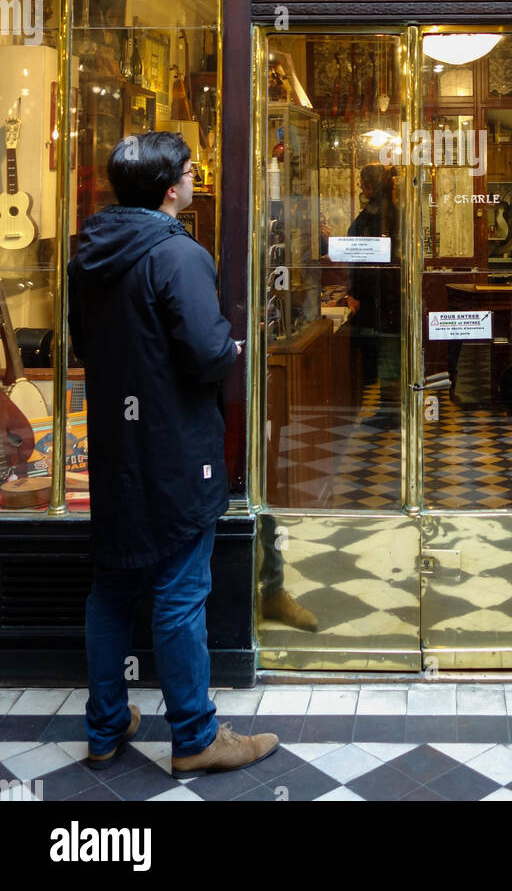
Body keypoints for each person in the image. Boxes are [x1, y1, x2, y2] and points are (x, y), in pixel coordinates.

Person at [68, 131, 279, 777]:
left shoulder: (88, 254)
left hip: (115, 445)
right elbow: (207, 352)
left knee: (111, 587)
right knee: (182, 589)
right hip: (175, 449)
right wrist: (232, 350)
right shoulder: (178, 256)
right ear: (170, 188)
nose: (196, 178)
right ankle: (193, 735)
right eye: (191, 171)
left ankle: (105, 726)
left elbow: (83, 345)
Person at [345, 162, 401, 427]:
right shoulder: (394, 212)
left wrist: (353, 293)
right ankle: (389, 407)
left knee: (386, 352)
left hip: (378, 298)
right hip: (390, 296)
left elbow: (359, 261)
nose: (360, 187)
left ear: (370, 187)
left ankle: (390, 411)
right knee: (388, 351)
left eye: (363, 183)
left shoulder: (373, 217)